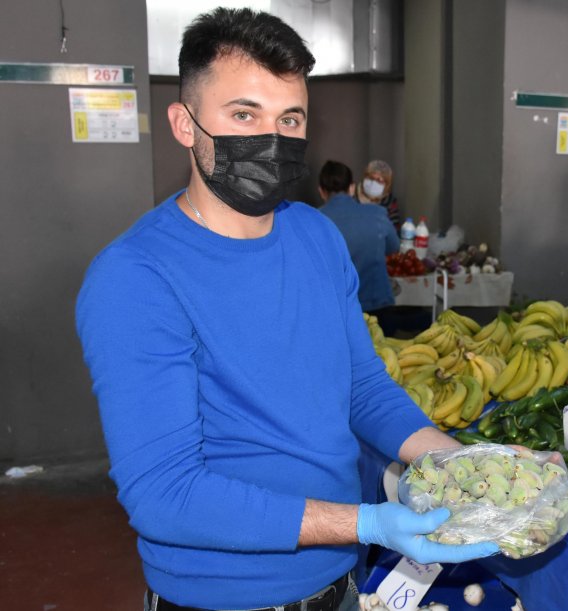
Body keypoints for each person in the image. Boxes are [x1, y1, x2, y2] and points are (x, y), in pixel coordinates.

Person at [75, 7, 499, 611]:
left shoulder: (315, 236)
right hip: (223, 599)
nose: (271, 139)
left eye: (289, 118)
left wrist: (466, 462)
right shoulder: (135, 278)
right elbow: (165, 493)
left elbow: (361, 389)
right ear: (184, 123)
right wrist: (368, 525)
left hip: (340, 586)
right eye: (244, 114)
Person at [318, 160, 399, 318]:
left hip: (336, 311)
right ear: (352, 188)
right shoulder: (378, 214)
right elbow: (394, 247)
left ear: (321, 191)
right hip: (378, 309)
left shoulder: (314, 220)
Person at [356, 159, 401, 232]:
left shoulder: (389, 202)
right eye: (370, 178)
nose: (373, 183)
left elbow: (394, 230)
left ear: (387, 186)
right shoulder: (352, 196)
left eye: (379, 181)